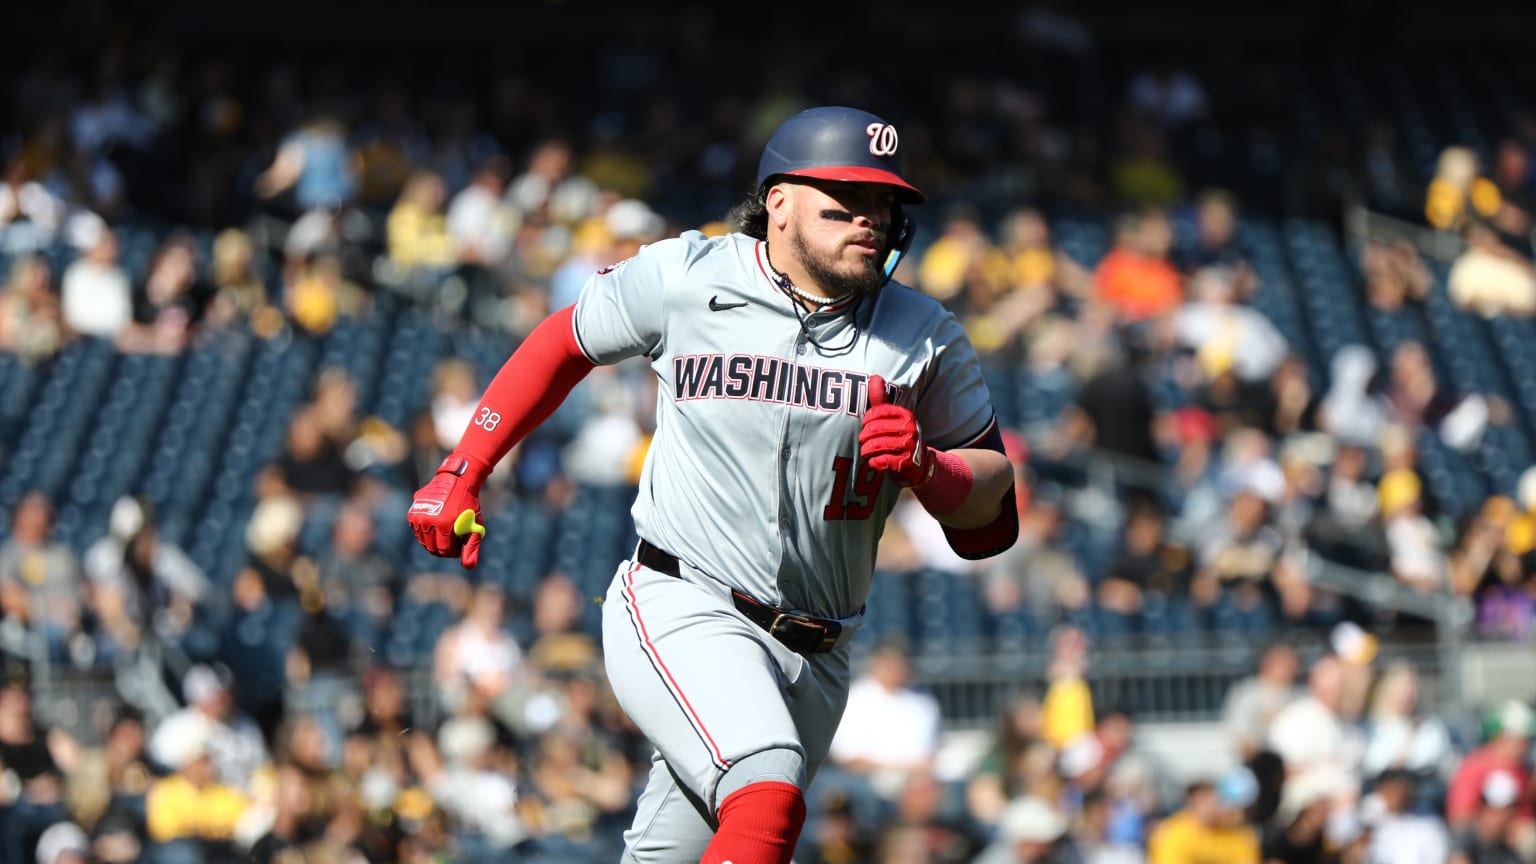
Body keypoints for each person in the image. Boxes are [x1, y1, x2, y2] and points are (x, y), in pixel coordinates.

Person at [407, 105, 1019, 864]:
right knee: (768, 792)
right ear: (780, 202)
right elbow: (562, 341)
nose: (872, 219)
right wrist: (462, 467)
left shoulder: (922, 332)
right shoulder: (688, 275)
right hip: (685, 600)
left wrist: (932, 466)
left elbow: (992, 517)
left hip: (820, 650)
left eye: (885, 203)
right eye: (847, 201)